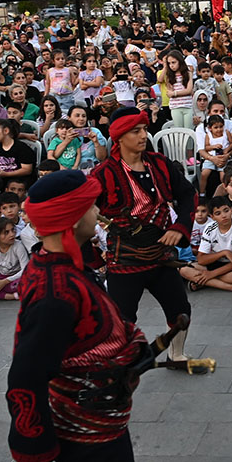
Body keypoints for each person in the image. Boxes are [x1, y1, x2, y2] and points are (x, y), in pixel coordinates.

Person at [6, 171, 150, 462]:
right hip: (83, 440)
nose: (98, 211)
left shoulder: (66, 265)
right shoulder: (54, 293)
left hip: (102, 426)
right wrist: (38, 450)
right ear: (71, 218)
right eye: (91, 205)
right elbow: (26, 373)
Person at [90, 107, 199, 370]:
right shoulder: (103, 173)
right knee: (122, 319)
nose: (143, 135)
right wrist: (94, 246)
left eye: (143, 129)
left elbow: (187, 195)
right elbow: (85, 210)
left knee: (180, 310)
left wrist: (180, 227)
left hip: (162, 254)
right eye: (135, 131)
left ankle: (176, 355)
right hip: (124, 259)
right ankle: (118, 368)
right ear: (119, 137)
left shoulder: (160, 163)